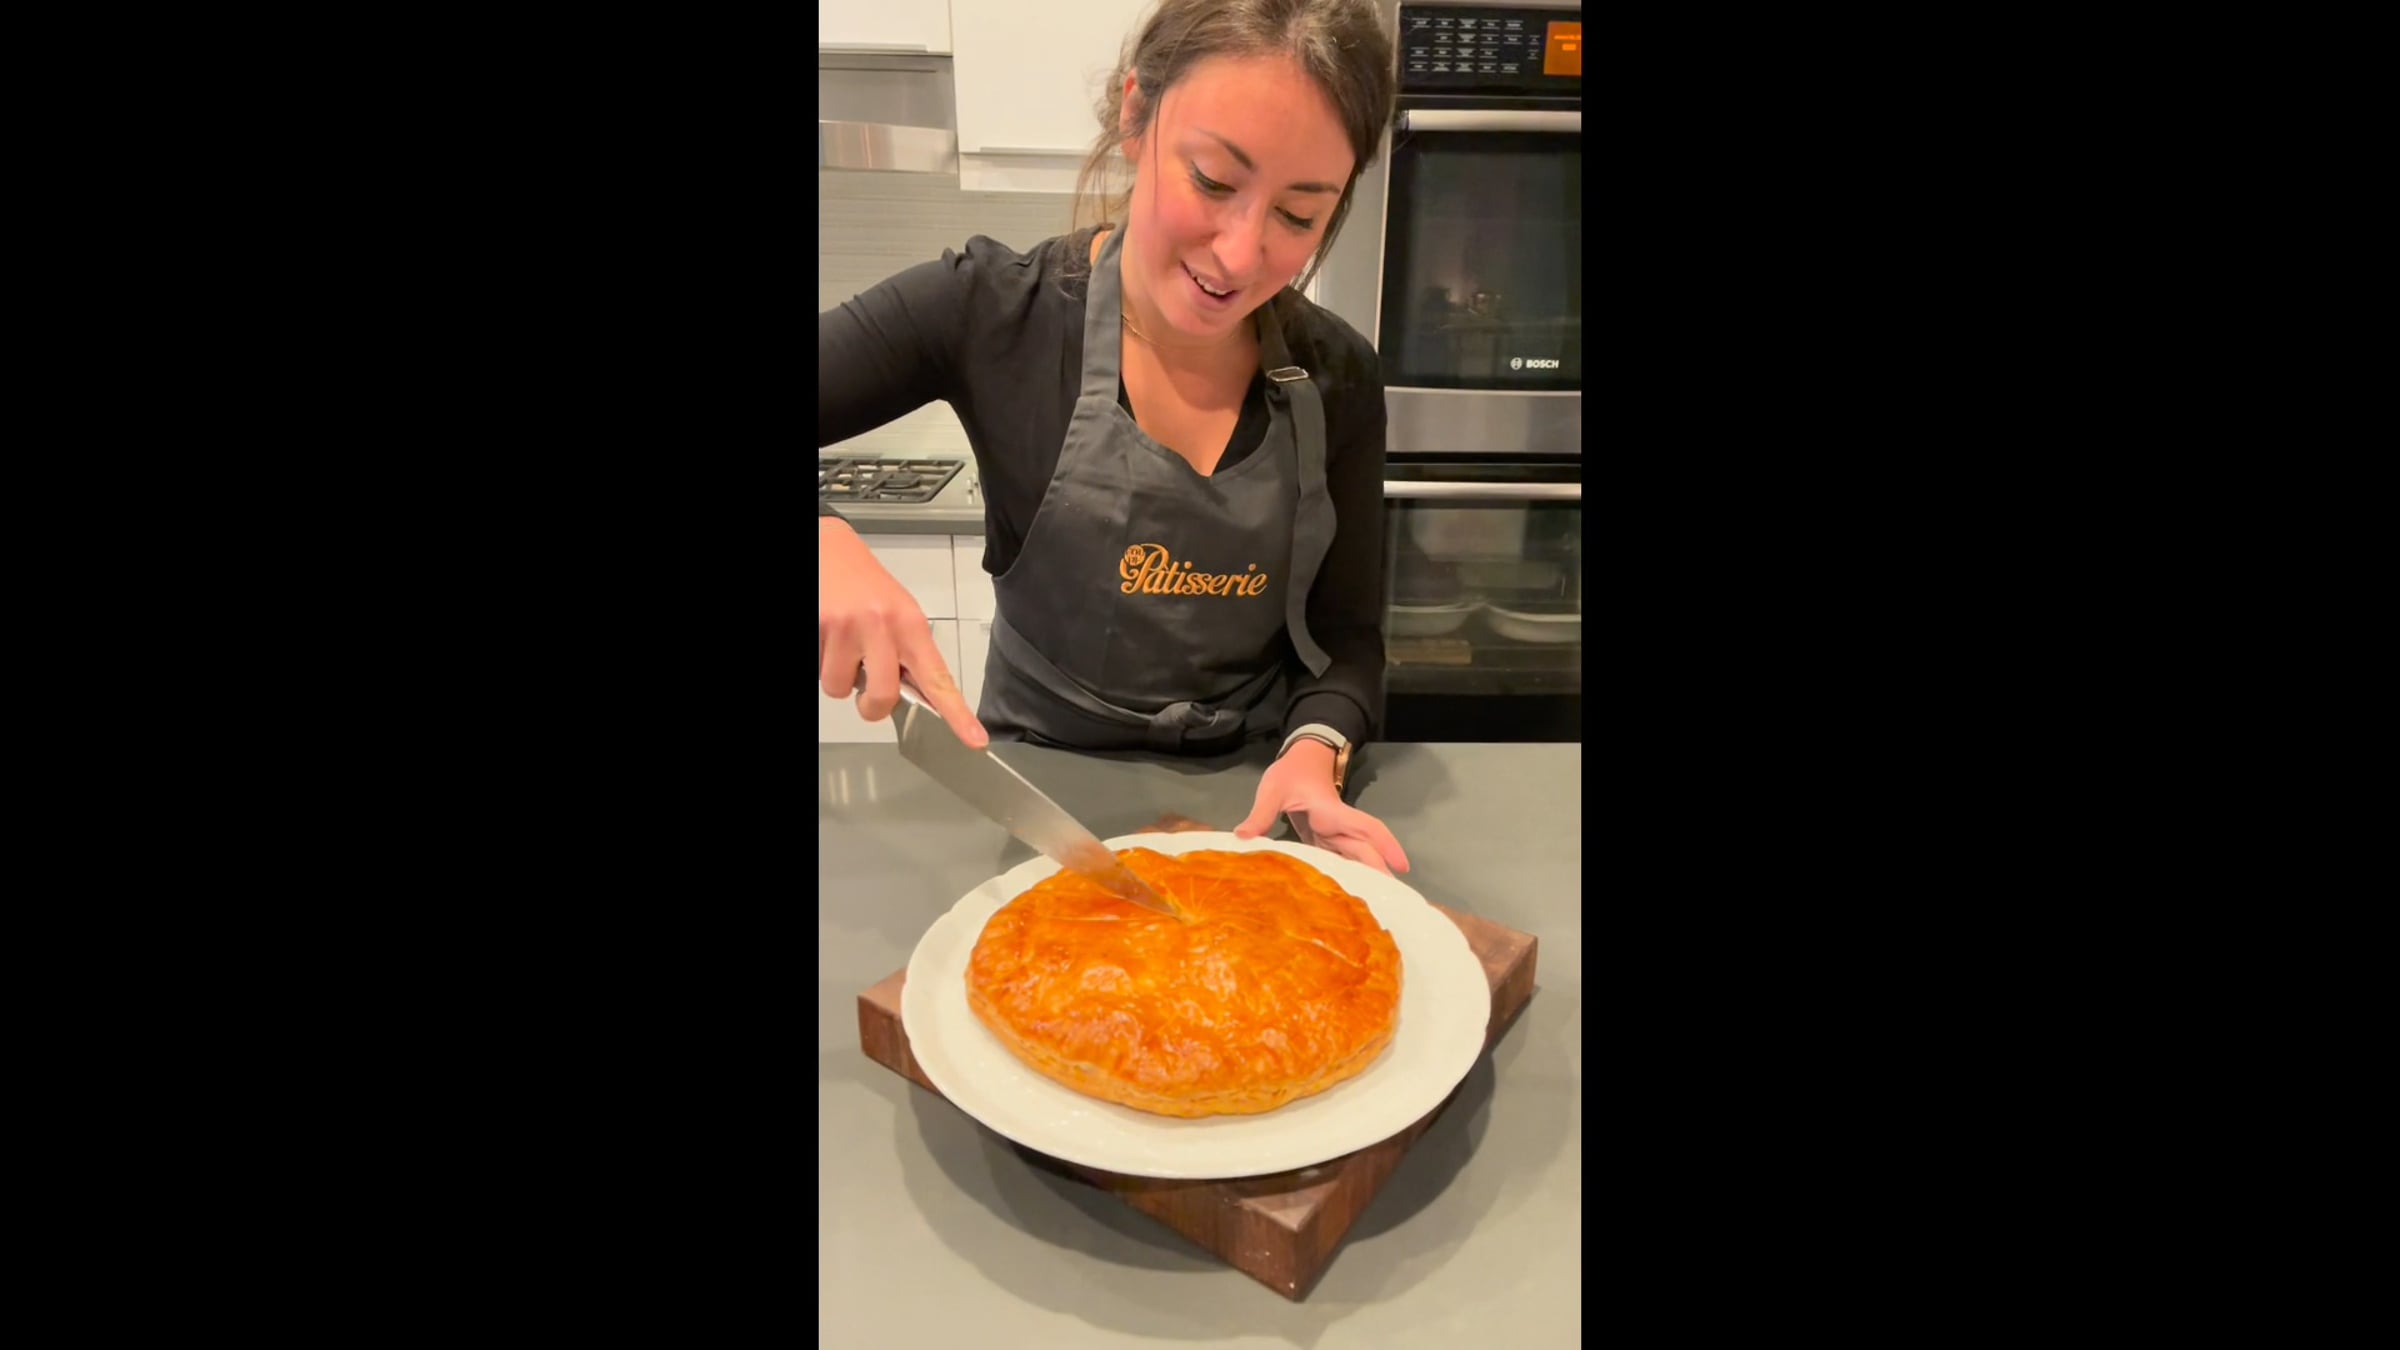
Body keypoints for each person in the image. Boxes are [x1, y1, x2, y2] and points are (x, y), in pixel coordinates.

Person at [818, 0, 1408, 876]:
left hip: (1253, 815)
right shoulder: (990, 312)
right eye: (1213, 180)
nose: (1239, 254)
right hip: (1041, 806)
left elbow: (1346, 637)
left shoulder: (1340, 378)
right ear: (1136, 116)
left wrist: (1316, 749)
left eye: (1297, 216)